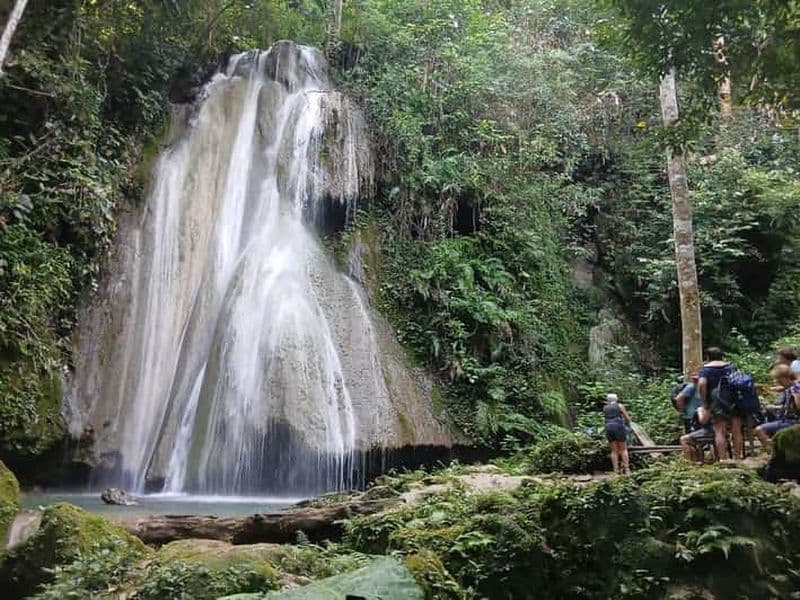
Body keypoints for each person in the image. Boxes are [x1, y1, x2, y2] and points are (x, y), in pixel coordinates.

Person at [698, 346, 741, 461]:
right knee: (736, 430)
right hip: (734, 400)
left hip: (717, 402)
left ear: (707, 357)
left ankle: (723, 459)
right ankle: (738, 458)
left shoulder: (706, 370)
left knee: (719, 431)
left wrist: (705, 401)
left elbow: (702, 384)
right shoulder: (731, 367)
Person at [755, 364, 800, 444]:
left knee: (759, 430)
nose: (777, 382)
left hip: (793, 421)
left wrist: (776, 407)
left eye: (778, 379)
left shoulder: (795, 389)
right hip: (785, 418)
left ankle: (775, 450)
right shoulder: (789, 387)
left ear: (784, 377)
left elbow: (797, 406)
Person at [603, 393, 632, 475]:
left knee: (614, 450)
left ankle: (616, 470)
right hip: (618, 426)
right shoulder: (620, 406)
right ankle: (627, 469)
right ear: (616, 399)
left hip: (608, 427)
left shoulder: (605, 408)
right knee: (623, 449)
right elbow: (627, 418)